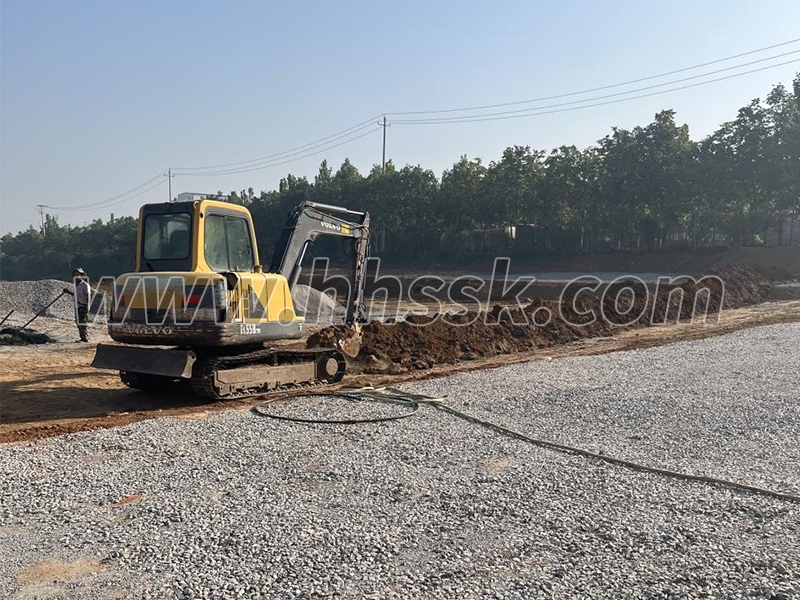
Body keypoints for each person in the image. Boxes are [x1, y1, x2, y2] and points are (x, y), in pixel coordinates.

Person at [73, 268, 91, 342]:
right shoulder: (77, 286)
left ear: (81, 276)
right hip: (77, 306)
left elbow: (88, 296)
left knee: (82, 322)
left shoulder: (85, 285)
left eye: (78, 275)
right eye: (75, 275)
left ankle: (84, 338)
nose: (76, 276)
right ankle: (82, 337)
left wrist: (87, 306)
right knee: (78, 321)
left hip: (83, 306)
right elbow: (76, 296)